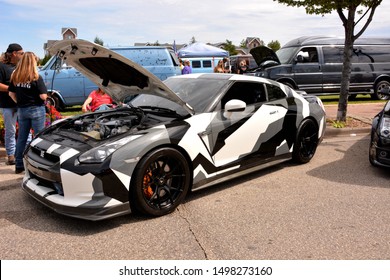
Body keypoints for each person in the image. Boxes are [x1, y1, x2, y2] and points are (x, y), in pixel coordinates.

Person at [8, 52, 47, 174]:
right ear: (33, 62)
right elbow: (43, 96)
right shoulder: (36, 77)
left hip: (22, 110)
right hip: (36, 109)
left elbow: (10, 93)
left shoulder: (16, 77)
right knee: (39, 139)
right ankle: (40, 165)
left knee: (21, 138)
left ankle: (19, 165)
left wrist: (19, 102)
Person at [0, 43, 24, 165]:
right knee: (11, 130)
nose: (22, 55)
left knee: (25, 130)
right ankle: (11, 155)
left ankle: (24, 153)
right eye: (21, 53)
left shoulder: (20, 66)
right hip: (7, 105)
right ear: (14, 53)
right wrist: (12, 89)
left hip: (22, 104)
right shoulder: (2, 66)